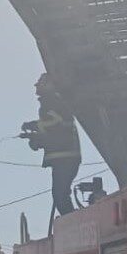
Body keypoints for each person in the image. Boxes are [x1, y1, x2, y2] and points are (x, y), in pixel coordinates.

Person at [23, 73, 81, 217]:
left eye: (41, 83)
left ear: (50, 85)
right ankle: (71, 219)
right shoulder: (53, 102)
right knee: (60, 195)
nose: (37, 86)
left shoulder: (52, 102)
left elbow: (54, 126)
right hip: (64, 158)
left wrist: (35, 133)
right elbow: (55, 130)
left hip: (64, 158)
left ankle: (71, 220)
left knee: (60, 195)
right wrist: (35, 136)